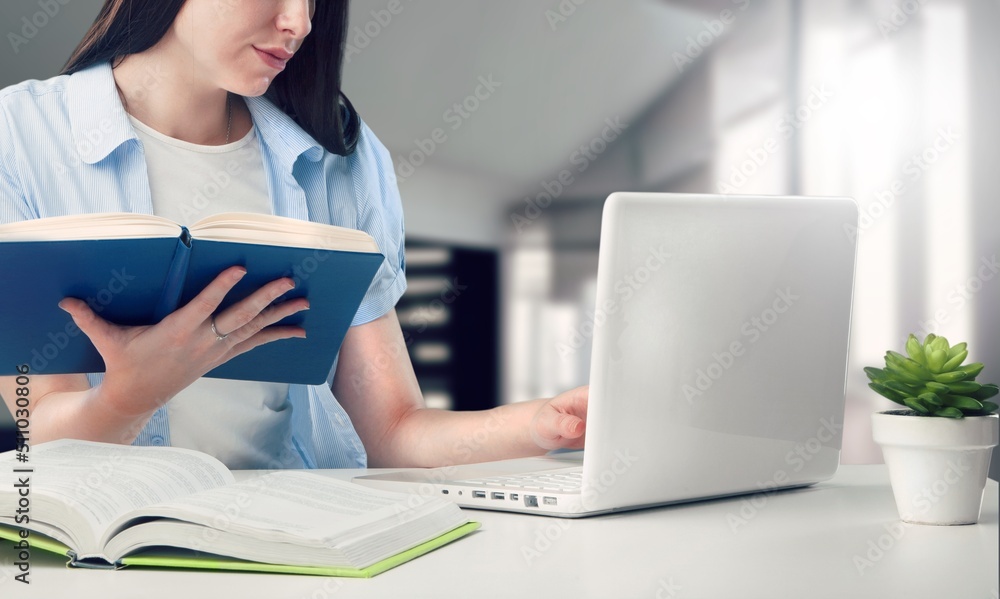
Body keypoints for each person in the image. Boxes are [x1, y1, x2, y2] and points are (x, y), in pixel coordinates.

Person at [0, 0, 587, 470]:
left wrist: (542, 424)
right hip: (114, 557)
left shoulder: (338, 156)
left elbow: (391, 430)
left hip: (289, 549)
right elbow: (43, 434)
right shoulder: (19, 140)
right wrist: (130, 393)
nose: (300, 22)